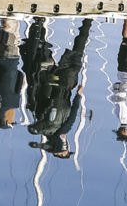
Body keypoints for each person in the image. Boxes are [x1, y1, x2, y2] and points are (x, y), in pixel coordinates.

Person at [22, 18, 92, 158]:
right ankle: (40, 24)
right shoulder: (58, 129)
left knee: (77, 52)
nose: (66, 146)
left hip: (62, 84)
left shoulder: (51, 128)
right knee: (74, 52)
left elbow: (72, 115)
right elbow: (72, 114)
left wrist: (78, 96)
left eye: (64, 151)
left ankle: (87, 21)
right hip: (57, 84)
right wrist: (77, 96)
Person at [0, 18, 24, 129]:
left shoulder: (13, 103)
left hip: (11, 59)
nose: (14, 117)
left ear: (7, 119)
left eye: (12, 120)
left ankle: (11, 10)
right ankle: (3, 15)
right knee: (3, 32)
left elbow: (20, 76)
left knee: (12, 28)